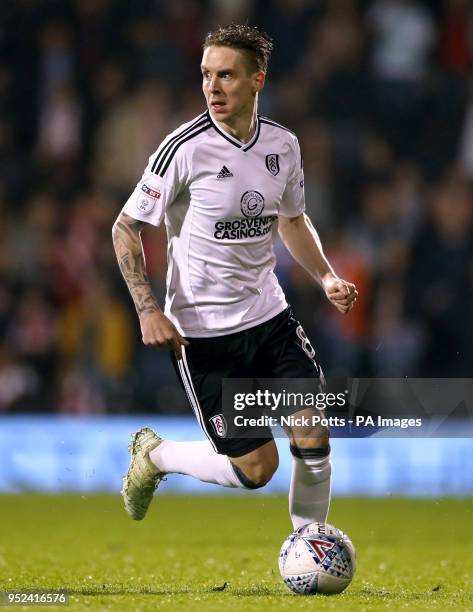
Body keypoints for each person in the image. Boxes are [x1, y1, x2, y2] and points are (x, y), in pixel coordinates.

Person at [112, 24, 357, 527]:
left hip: (270, 318)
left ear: (257, 80)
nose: (213, 87)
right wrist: (147, 309)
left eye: (226, 75)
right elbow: (125, 227)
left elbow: (291, 219)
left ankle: (310, 544)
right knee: (257, 468)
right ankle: (156, 457)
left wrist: (326, 277)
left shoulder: (283, 146)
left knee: (313, 433)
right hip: (205, 336)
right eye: (206, 75)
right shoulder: (182, 149)